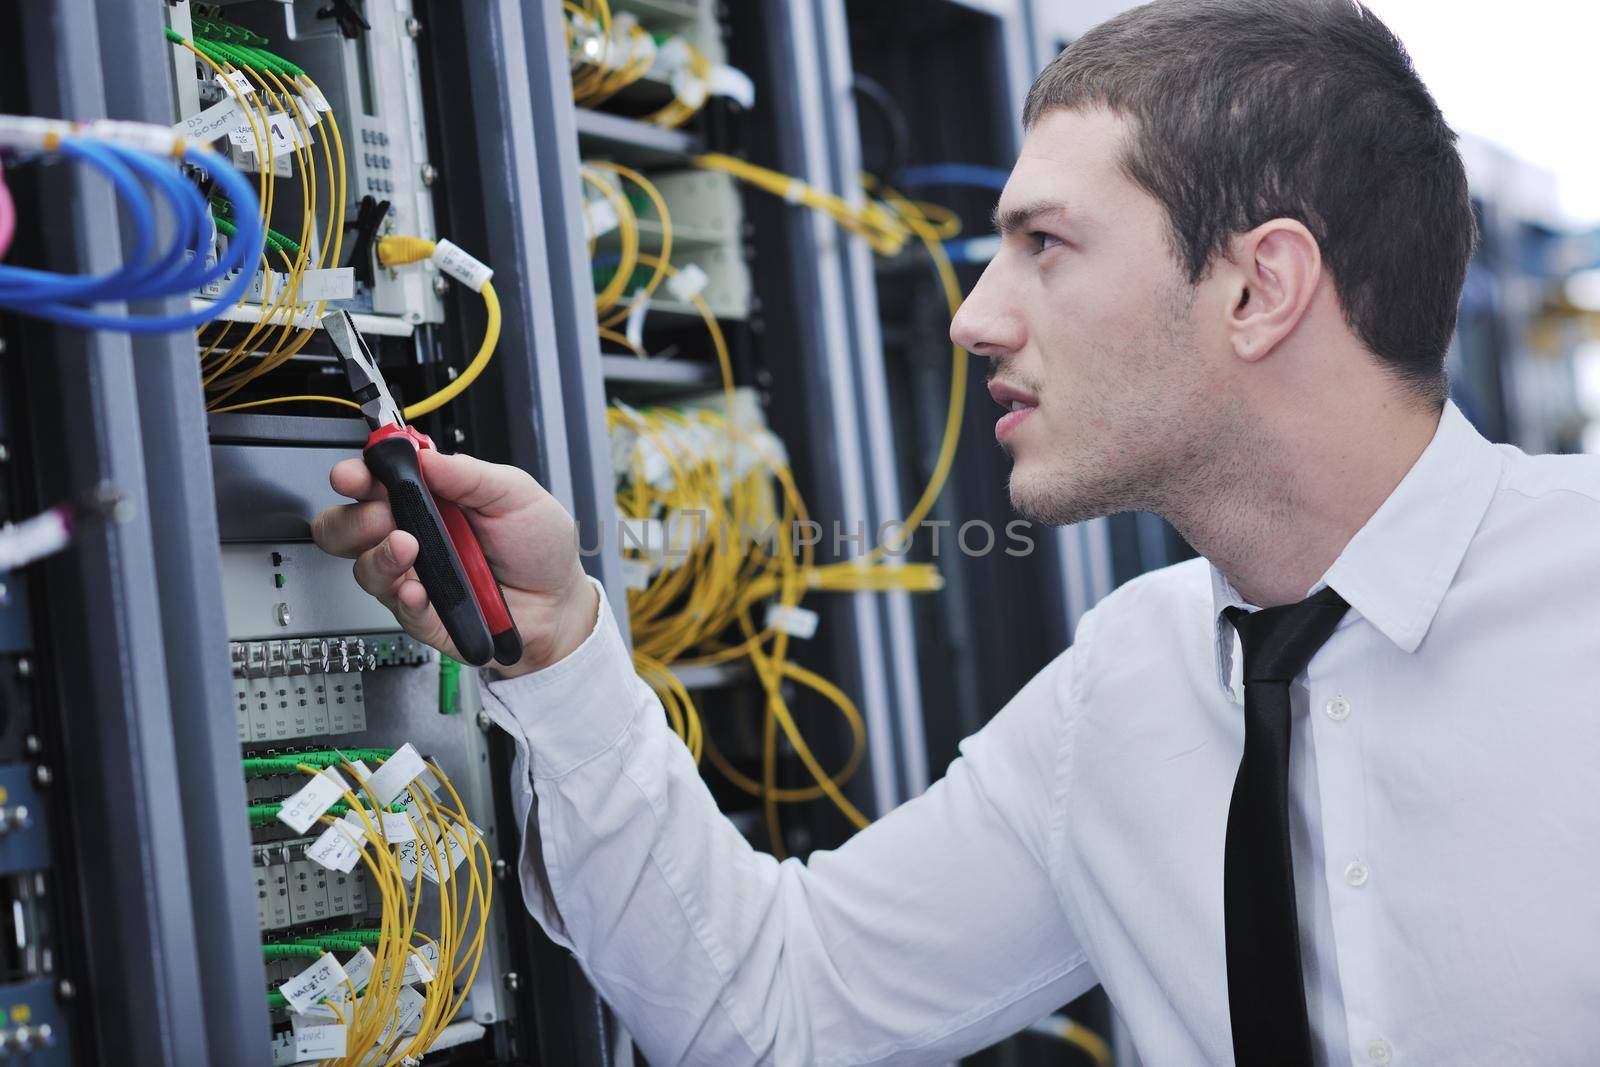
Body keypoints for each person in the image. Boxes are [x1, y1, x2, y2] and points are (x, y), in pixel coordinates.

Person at [311, 0, 1600, 1063]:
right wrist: (558, 650)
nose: (974, 317)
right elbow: (775, 1007)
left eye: (1045, 244)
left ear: (1259, 288)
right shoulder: (1128, 689)